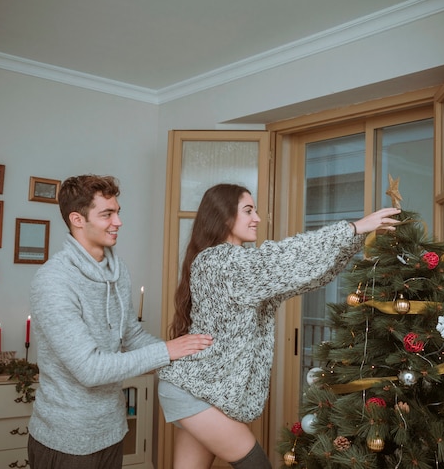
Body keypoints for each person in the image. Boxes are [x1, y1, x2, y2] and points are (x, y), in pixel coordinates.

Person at [157, 183, 400, 468]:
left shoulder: (244, 270)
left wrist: (356, 238)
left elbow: (308, 275)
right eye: (248, 210)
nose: (257, 218)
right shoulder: (219, 262)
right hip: (193, 390)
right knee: (256, 464)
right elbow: (284, 257)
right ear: (223, 216)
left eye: (256, 210)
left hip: (198, 389)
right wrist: (354, 227)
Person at [27, 174, 213, 469]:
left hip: (112, 432)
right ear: (77, 219)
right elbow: (90, 369)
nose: (118, 222)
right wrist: (168, 351)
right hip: (66, 441)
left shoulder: (118, 270)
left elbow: (132, 335)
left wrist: (186, 356)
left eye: (117, 212)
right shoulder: (53, 281)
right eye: (107, 214)